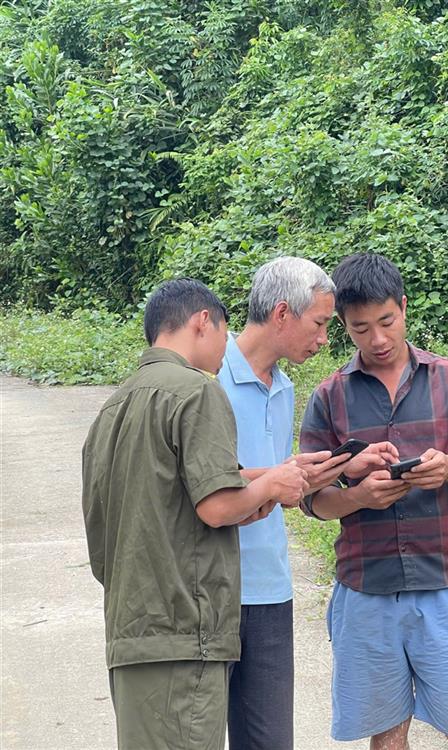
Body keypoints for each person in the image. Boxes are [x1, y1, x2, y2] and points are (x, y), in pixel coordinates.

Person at [81, 278, 310, 750]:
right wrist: (272, 485)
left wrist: (263, 483)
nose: (227, 346)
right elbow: (217, 506)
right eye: (226, 331)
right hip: (187, 637)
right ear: (202, 321)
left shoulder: (111, 409)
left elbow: (108, 531)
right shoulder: (196, 392)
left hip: (133, 636)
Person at [298, 253, 448, 750]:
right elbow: (312, 498)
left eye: (387, 321)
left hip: (443, 583)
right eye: (361, 329)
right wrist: (359, 497)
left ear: (404, 308)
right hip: (366, 589)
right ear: (343, 326)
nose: (379, 339)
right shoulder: (330, 396)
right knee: (386, 737)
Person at [216, 257, 393, 750]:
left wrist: (340, 468)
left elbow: (279, 488)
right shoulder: (209, 378)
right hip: (213, 588)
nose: (323, 340)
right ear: (280, 314)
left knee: (271, 740)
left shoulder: (286, 386)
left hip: (271, 588)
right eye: (318, 324)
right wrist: (280, 478)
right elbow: (206, 485)